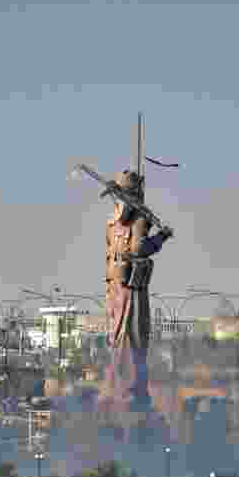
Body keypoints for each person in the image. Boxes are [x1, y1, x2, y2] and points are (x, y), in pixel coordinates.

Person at [103, 170, 173, 410]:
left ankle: (120, 388)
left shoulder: (113, 219)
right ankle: (129, 391)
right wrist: (161, 237)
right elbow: (139, 248)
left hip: (114, 286)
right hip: (131, 288)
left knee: (120, 336)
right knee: (133, 337)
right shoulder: (139, 218)